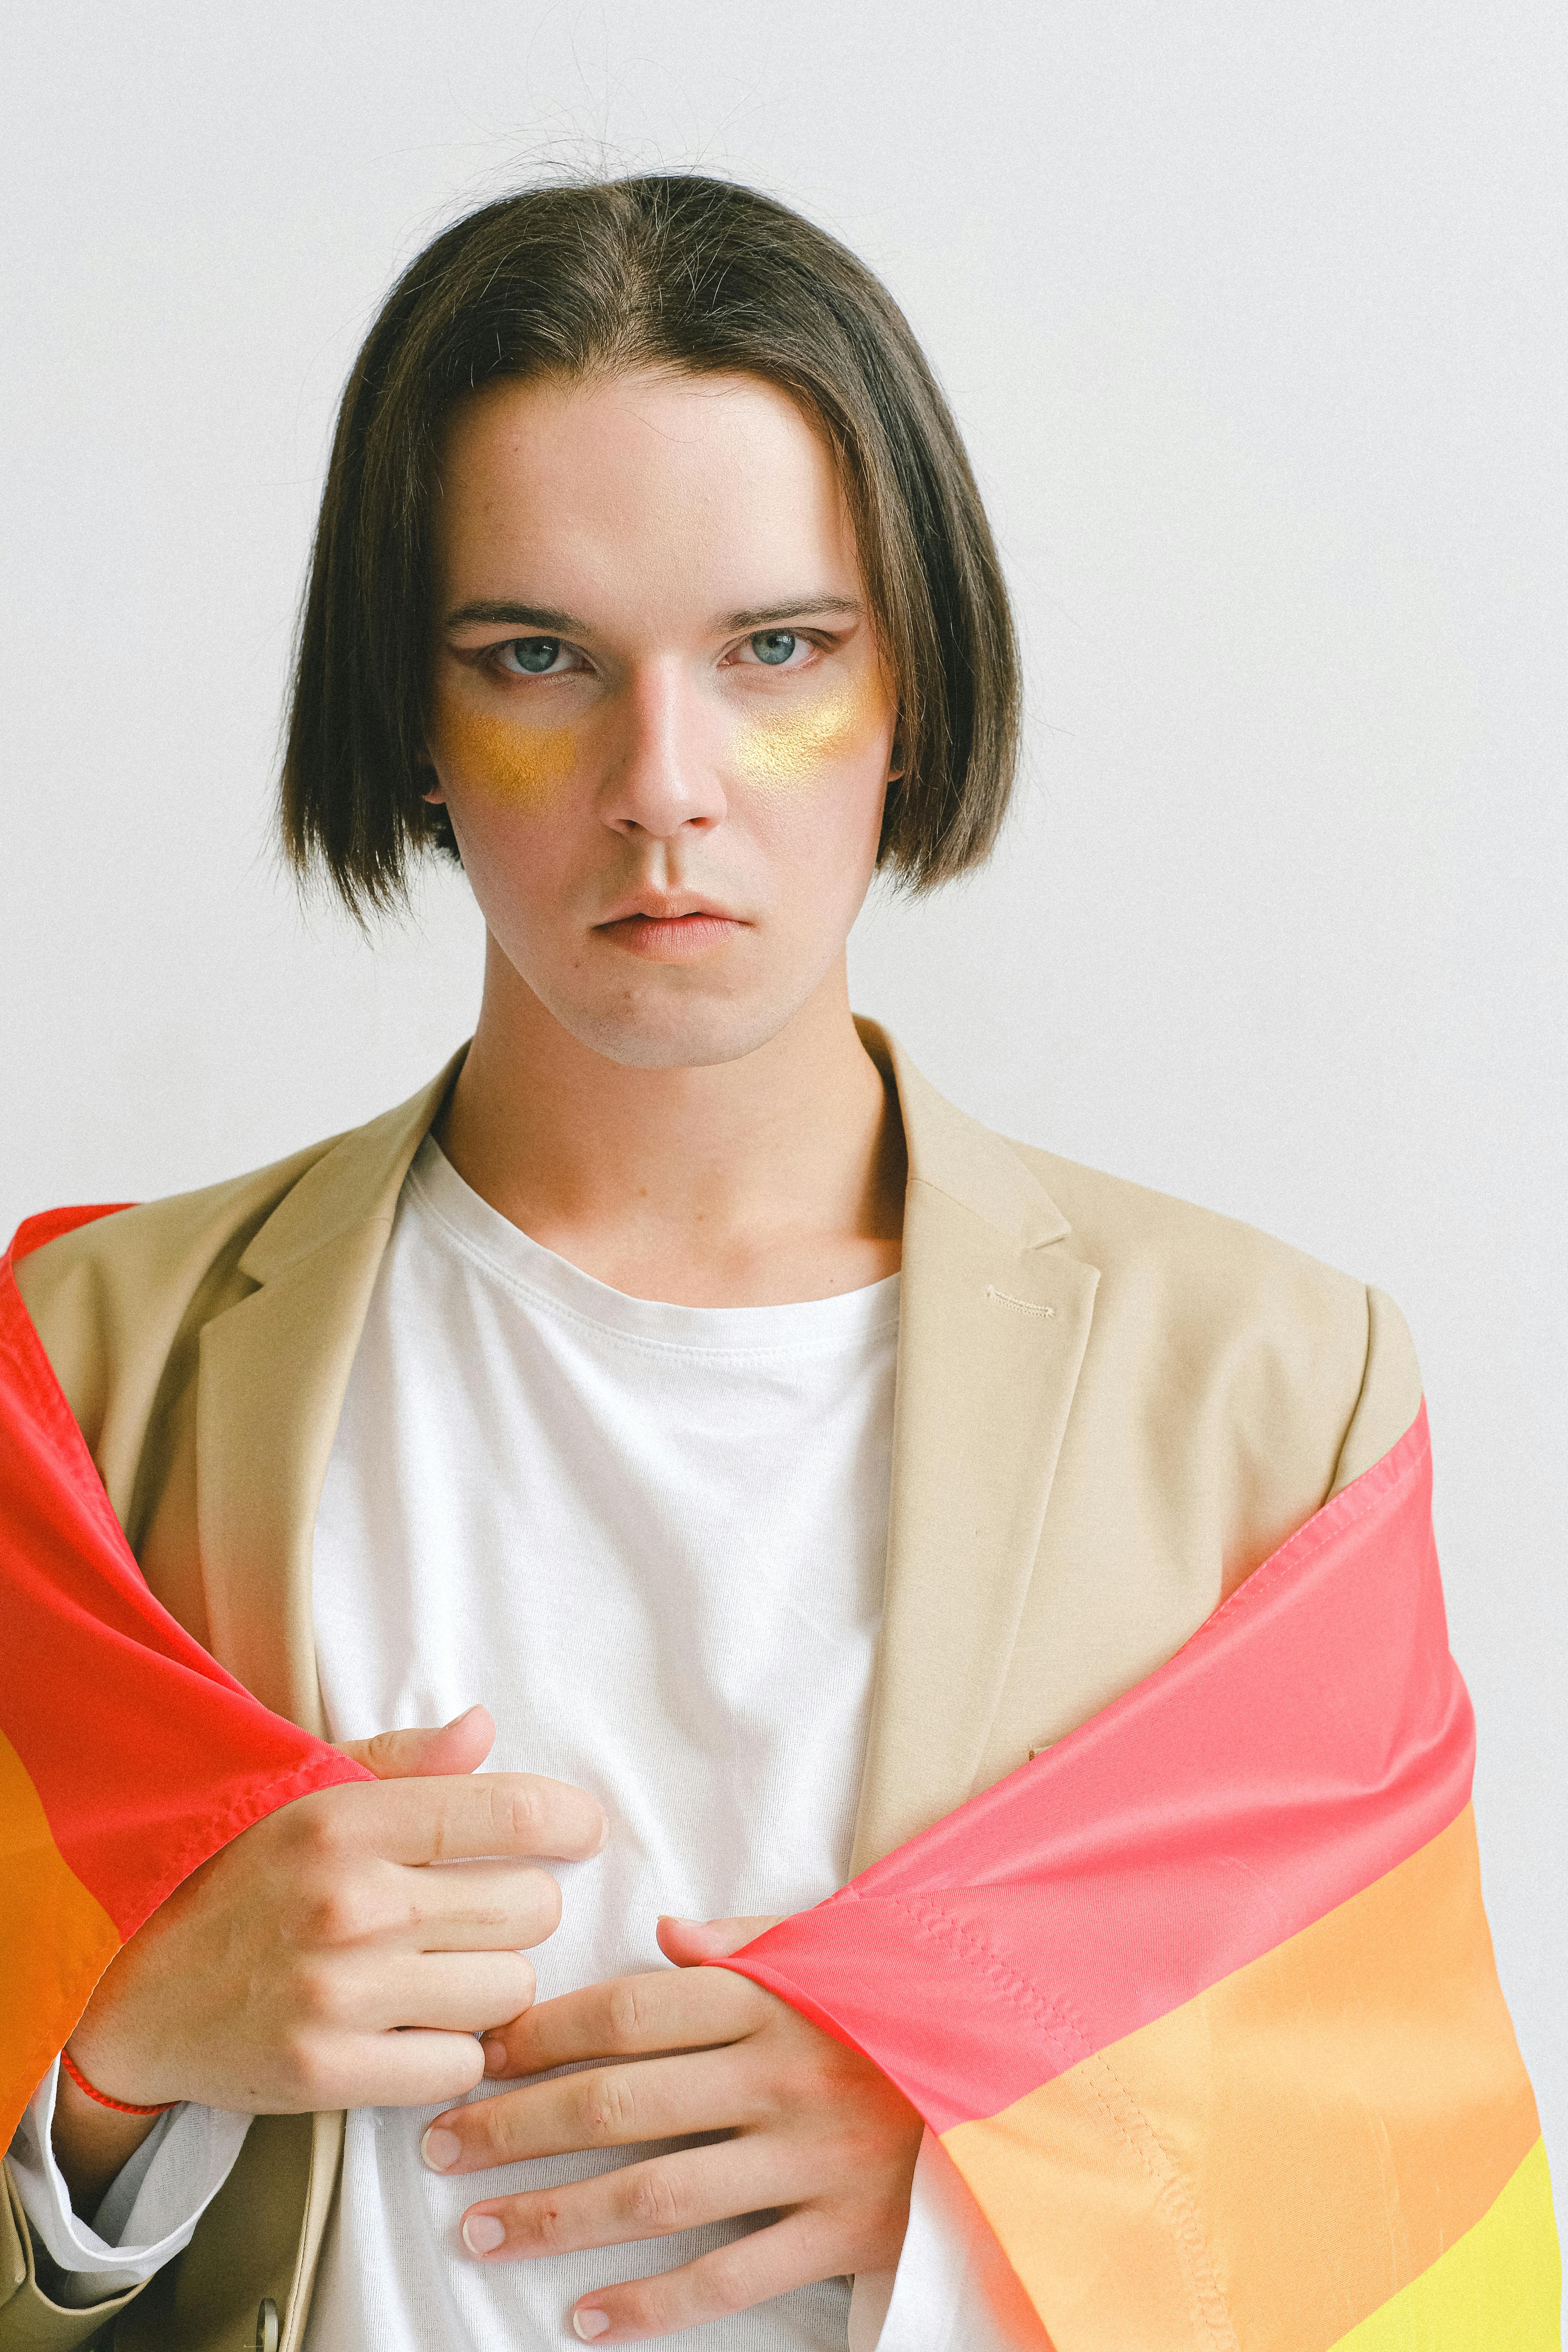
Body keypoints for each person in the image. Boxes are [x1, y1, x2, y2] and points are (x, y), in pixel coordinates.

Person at [2, 175, 1423, 2351]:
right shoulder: (83, 1385)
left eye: (778, 649)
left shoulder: (1272, 1402)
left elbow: (1417, 2219)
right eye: (536, 658)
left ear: (914, 689)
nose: (663, 789)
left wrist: (984, 2164)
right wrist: (116, 2080)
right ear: (410, 710)